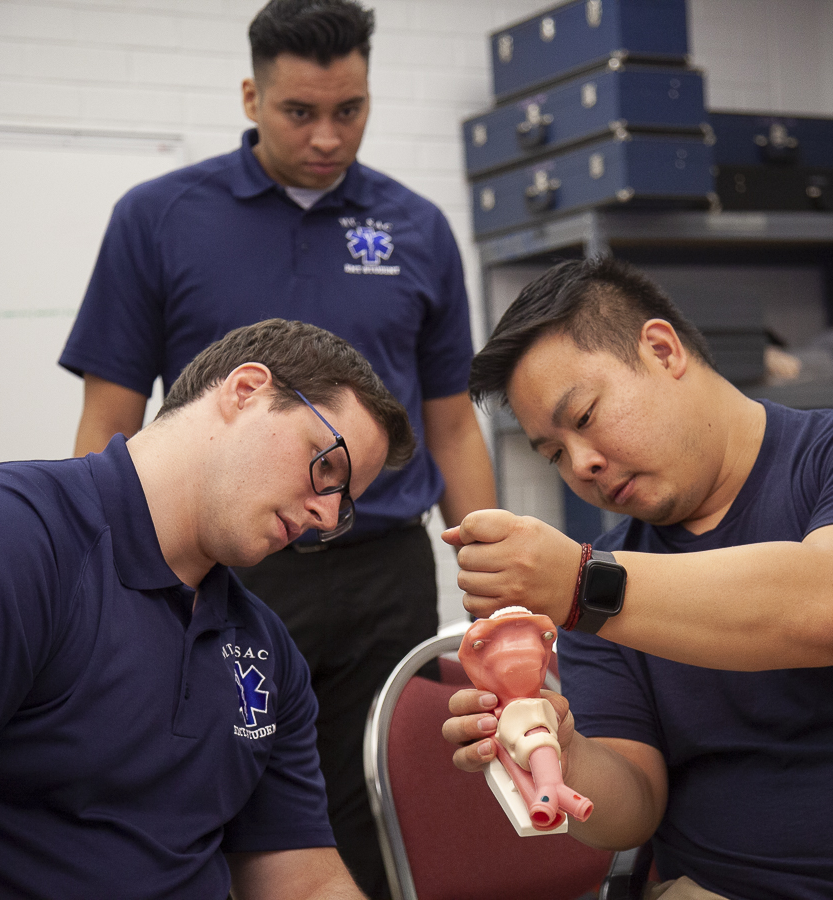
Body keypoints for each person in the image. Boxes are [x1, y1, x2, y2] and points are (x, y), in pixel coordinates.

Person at [439, 258, 833, 900]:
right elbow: (633, 808)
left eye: (586, 417)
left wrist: (579, 584)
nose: (582, 464)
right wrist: (563, 752)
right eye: (555, 454)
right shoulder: (595, 586)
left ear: (662, 350)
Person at [56, 1, 495, 893]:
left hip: (383, 568)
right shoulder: (158, 217)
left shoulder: (417, 227)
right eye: (300, 112)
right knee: (211, 783)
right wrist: (93, 578)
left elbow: (452, 422)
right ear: (252, 97)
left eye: (350, 110)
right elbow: (108, 419)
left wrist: (495, 582)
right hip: (229, 565)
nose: (328, 136)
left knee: (374, 794)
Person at [0, 319, 415, 899]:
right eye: (327, 465)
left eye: (344, 503)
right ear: (246, 390)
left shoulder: (264, 649)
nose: (326, 515)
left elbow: (305, 883)